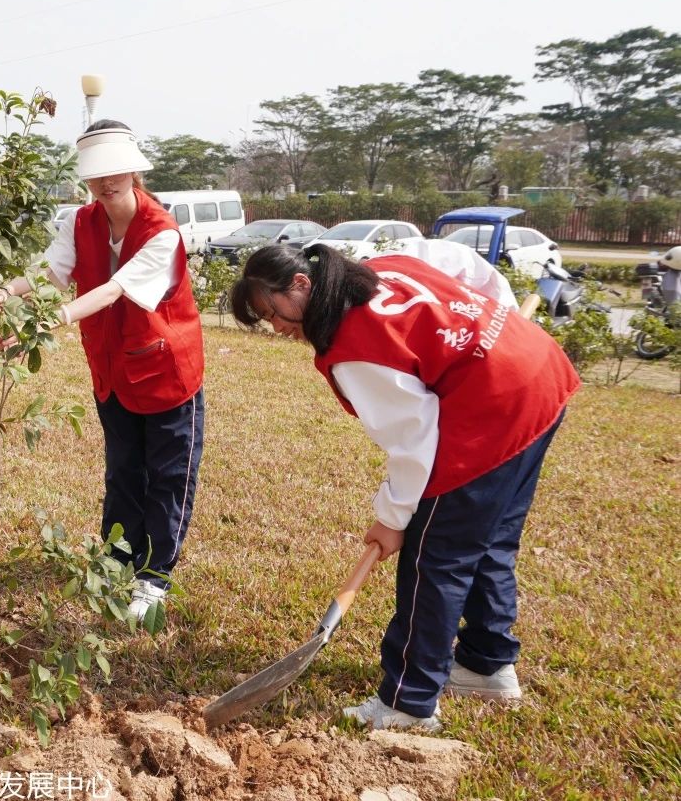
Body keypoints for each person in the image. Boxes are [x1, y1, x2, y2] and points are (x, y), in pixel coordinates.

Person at [228, 242, 579, 731]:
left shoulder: (355, 348)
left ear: (301, 283)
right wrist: (494, 327)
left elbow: (414, 444)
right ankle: (486, 665)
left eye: (273, 312)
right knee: (487, 539)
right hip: (539, 373)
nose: (278, 328)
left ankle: (409, 702)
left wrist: (393, 519)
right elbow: (462, 262)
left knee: (434, 557)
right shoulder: (379, 268)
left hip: (495, 410)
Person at [0, 120, 205, 622]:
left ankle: (153, 578)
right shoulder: (81, 221)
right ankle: (115, 562)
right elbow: (53, 271)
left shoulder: (162, 233)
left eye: (115, 171)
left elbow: (115, 291)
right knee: (123, 472)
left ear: (133, 171)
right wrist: (6, 289)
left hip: (166, 373)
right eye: (95, 174)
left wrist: (50, 319)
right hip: (111, 372)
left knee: (169, 477)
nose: (106, 182)